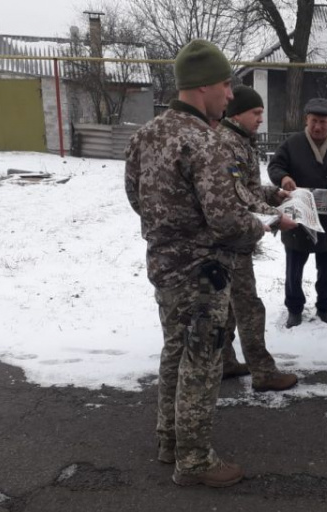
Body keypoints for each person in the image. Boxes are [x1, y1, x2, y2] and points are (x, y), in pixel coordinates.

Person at [125, 39, 267, 488]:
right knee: (203, 361)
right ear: (203, 86)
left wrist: (171, 230)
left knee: (175, 351)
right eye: (226, 85)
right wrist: (261, 227)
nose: (230, 95)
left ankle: (169, 440)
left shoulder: (146, 134)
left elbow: (136, 197)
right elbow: (226, 219)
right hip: (203, 271)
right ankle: (194, 460)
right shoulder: (205, 141)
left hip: (164, 264)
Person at [216, 85, 299, 392]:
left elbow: (248, 190)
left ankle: (223, 361)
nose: (261, 119)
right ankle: (263, 372)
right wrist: (278, 218)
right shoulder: (228, 144)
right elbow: (238, 200)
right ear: (236, 113)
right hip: (232, 238)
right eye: (256, 113)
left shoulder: (240, 141)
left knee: (225, 306)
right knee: (249, 307)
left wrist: (274, 194)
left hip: (234, 237)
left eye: (262, 113)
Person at [267, 98, 327, 328]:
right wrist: (283, 178)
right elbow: (275, 166)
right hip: (297, 214)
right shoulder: (293, 143)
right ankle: (294, 308)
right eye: (314, 121)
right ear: (306, 120)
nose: (318, 127)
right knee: (294, 267)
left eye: (323, 122)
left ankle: (325, 307)